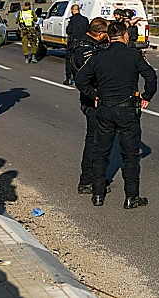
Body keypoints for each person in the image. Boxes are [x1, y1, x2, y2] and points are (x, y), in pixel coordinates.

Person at [74, 20, 158, 208]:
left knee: (101, 152)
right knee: (129, 156)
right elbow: (151, 76)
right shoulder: (134, 55)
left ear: (109, 37)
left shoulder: (98, 56)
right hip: (127, 110)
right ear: (125, 36)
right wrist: (146, 96)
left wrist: (93, 95)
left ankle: (97, 194)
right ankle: (131, 197)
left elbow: (80, 78)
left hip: (104, 109)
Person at [72, 17, 110, 194]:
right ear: (100, 33)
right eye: (107, 33)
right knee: (93, 140)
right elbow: (88, 75)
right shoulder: (84, 48)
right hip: (92, 100)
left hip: (100, 99)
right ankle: (86, 180)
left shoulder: (96, 45)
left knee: (102, 141)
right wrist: (94, 96)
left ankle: (97, 176)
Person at [64, 4, 89, 85]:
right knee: (82, 61)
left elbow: (68, 31)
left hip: (73, 43)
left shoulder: (72, 20)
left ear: (72, 10)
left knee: (69, 60)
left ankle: (69, 78)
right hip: (83, 43)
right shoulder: (85, 19)